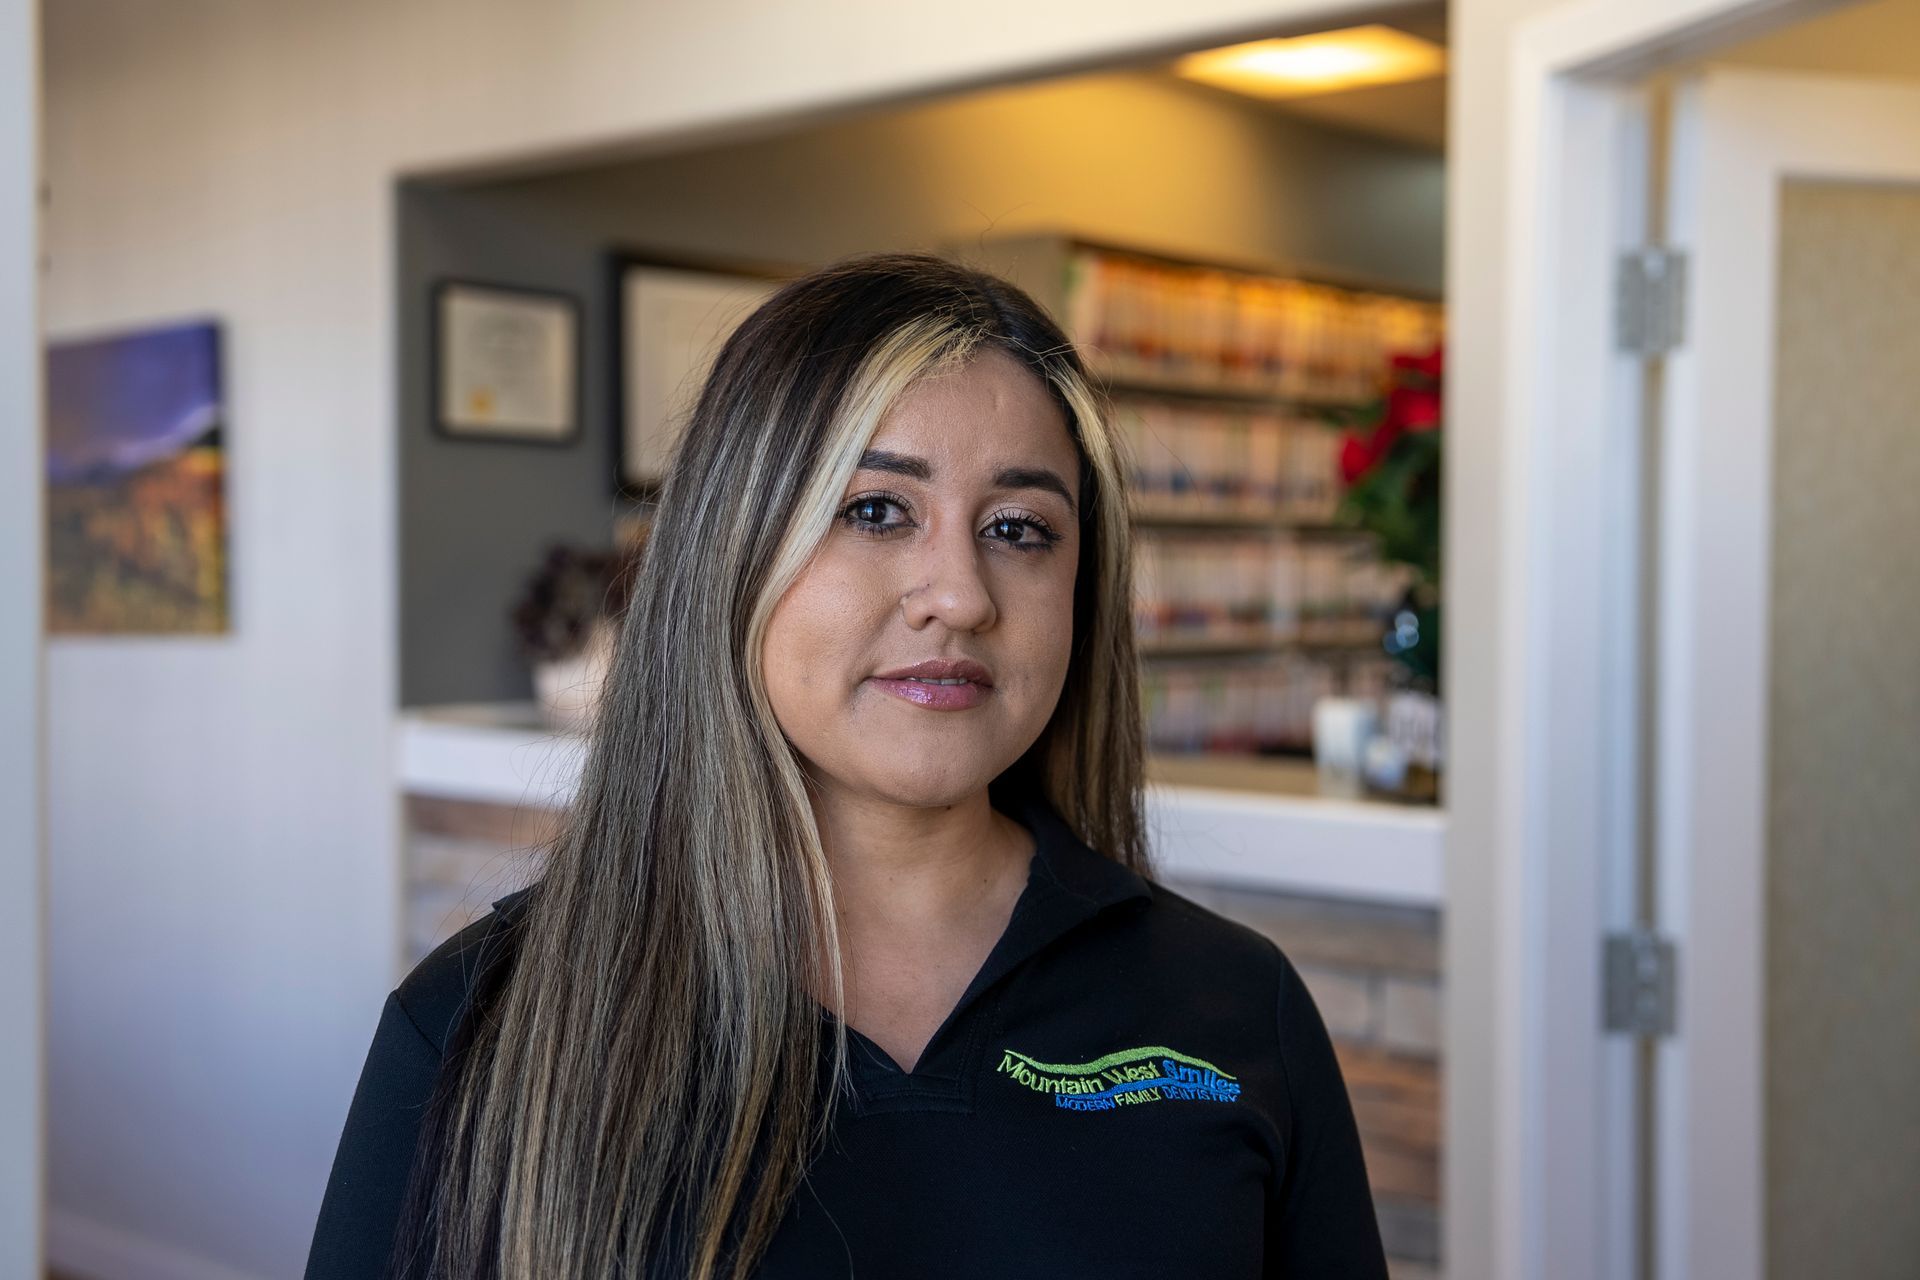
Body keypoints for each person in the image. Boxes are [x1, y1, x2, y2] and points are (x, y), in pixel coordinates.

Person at [303, 251, 1389, 1279]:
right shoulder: (478, 1026)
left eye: (1019, 528)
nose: (960, 594)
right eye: (874, 510)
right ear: (731, 552)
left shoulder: (1238, 1008)